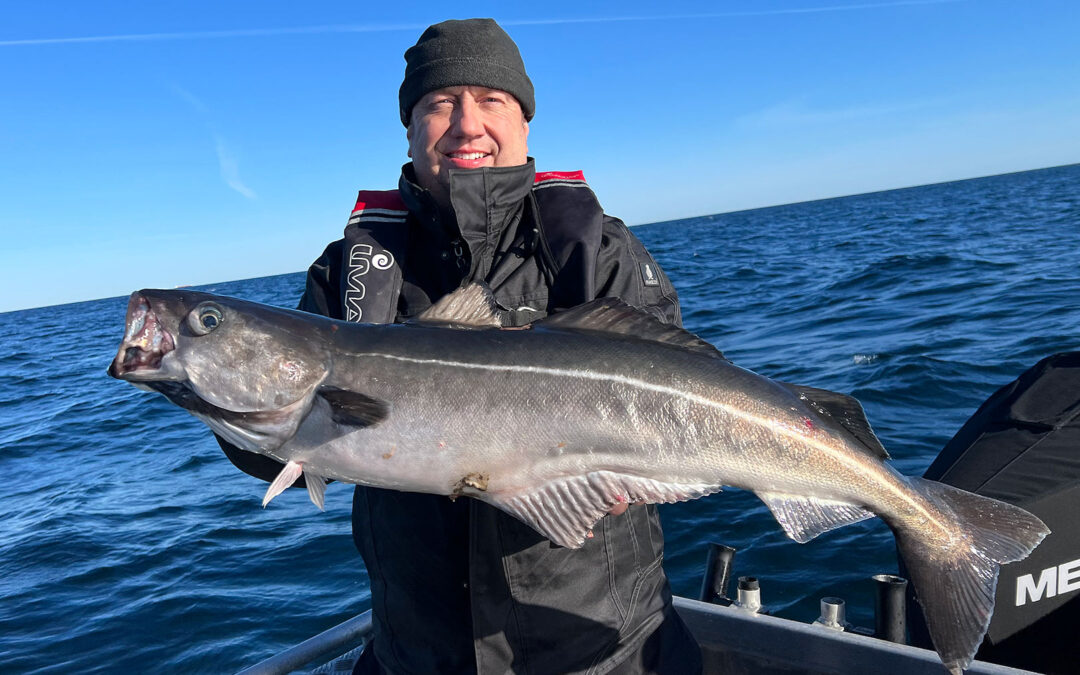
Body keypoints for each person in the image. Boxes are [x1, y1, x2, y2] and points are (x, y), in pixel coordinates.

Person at [219, 18, 702, 674]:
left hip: (603, 651)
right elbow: (291, 448)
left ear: (525, 122)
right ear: (411, 127)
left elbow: (685, 393)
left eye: (492, 100)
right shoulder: (350, 271)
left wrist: (628, 473)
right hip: (416, 653)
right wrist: (221, 394)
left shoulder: (594, 249)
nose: (467, 124)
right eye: (439, 103)